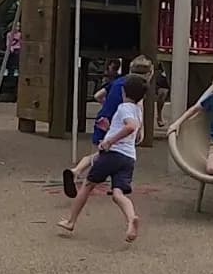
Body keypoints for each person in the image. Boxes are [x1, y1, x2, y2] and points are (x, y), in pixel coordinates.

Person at [58, 73, 148, 243]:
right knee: (118, 194)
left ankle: (71, 221)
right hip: (129, 158)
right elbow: (132, 130)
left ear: (123, 91)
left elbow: (130, 127)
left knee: (88, 185)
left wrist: (108, 141)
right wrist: (110, 128)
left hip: (112, 154)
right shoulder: (138, 111)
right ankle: (131, 220)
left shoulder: (123, 108)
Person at [63, 54, 153, 196]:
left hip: (103, 119)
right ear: (149, 74)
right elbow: (139, 109)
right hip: (118, 124)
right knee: (115, 154)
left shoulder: (117, 82)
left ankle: (78, 171)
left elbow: (98, 95)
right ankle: (91, 178)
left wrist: (108, 107)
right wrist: (141, 130)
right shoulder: (138, 88)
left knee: (104, 153)